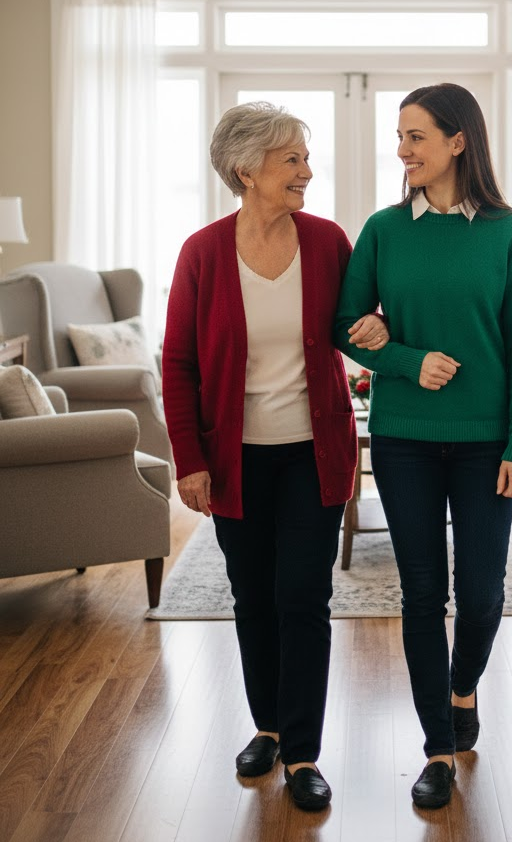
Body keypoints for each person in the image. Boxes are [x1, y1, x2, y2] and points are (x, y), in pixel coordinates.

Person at [162, 102, 388, 811]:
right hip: (233, 461)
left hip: (311, 453)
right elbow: (177, 365)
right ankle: (266, 728)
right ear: (246, 169)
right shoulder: (202, 252)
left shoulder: (327, 242)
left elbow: (354, 325)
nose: (306, 172)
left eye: (303, 158)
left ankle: (303, 753)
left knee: (304, 598)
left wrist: (379, 328)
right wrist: (189, 461)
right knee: (252, 597)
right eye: (292, 159)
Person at [334, 83, 512, 808]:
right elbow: (344, 324)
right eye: (400, 137)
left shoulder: (509, 232)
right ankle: (437, 749)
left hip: (488, 443)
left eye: (416, 136)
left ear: (459, 141)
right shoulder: (384, 229)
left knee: (482, 594)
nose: (403, 150)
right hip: (404, 440)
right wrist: (402, 358)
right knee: (424, 593)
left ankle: (461, 691)